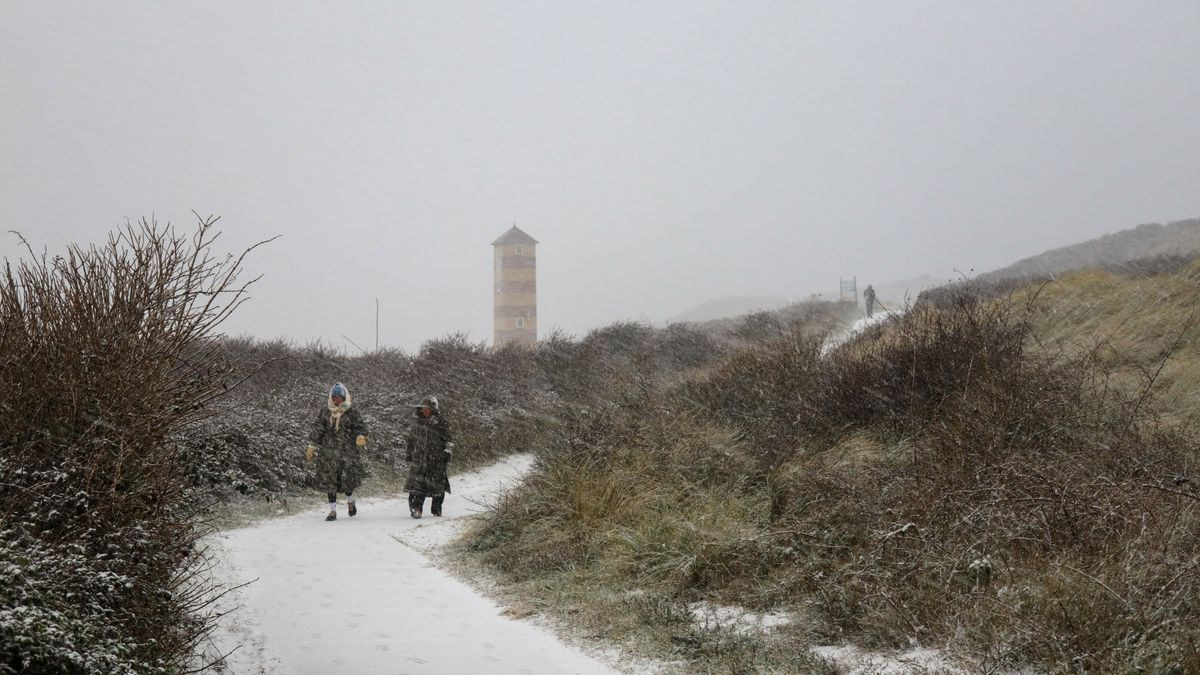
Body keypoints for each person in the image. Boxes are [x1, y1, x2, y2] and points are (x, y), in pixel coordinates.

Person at [305, 382, 369, 521]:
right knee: (330, 482)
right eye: (334, 396)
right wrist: (312, 445)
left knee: (347, 482)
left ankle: (351, 502)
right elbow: (318, 429)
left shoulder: (351, 411)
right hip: (328, 453)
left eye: (339, 396)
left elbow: (360, 426)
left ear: (344, 397)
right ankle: (332, 511)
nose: (336, 399)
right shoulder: (325, 411)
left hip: (347, 452)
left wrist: (360, 436)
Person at [403, 396, 453, 518]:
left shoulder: (441, 422)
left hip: (437, 460)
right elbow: (411, 441)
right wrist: (409, 454)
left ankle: (436, 509)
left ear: (433, 409)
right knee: (417, 486)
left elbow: (449, 439)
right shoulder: (417, 424)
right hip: (419, 459)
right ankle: (416, 509)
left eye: (428, 409)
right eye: (423, 409)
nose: (425, 411)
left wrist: (447, 451)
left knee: (438, 486)